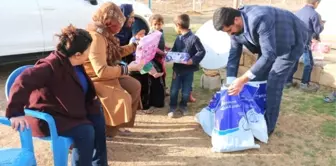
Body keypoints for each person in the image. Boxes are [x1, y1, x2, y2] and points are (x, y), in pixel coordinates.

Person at [6, 25, 108, 166]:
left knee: (98, 117)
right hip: (51, 115)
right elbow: (23, 80)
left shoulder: (74, 63)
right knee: (86, 132)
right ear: (78, 54)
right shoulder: (50, 66)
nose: (90, 54)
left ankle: (99, 164)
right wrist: (15, 112)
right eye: (88, 51)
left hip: (69, 109)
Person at [212, 6, 308, 136]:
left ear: (236, 20)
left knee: (274, 82)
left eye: (229, 30)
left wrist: (243, 79)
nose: (230, 34)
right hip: (267, 44)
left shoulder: (259, 18)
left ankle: (267, 128)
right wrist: (231, 82)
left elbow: (269, 56)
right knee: (256, 79)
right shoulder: (234, 30)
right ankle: (256, 116)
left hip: (290, 42)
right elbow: (234, 54)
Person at [84, 2, 144, 137]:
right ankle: (108, 131)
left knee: (135, 86)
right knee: (122, 98)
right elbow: (101, 71)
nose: (119, 27)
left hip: (108, 72)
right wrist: (126, 69)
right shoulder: (96, 37)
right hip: (96, 78)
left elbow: (115, 53)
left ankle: (122, 124)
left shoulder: (104, 33)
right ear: (108, 21)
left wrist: (134, 46)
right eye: (117, 23)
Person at [168, 14, 206, 118]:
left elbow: (201, 51)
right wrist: (169, 55)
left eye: (174, 26)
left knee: (186, 91)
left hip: (188, 70)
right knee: (174, 90)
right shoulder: (178, 39)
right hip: (177, 69)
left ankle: (183, 105)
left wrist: (192, 60)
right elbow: (174, 50)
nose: (175, 28)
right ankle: (172, 106)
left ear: (178, 25)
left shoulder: (194, 38)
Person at [286, 0, 324, 92]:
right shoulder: (314, 14)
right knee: (309, 64)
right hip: (305, 42)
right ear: (316, 3)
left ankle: (287, 82)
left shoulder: (298, 12)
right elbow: (318, 29)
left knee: (294, 62)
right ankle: (304, 84)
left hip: (295, 41)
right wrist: (322, 24)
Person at [129, 19, 165, 114]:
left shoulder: (144, 40)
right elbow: (133, 54)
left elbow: (151, 51)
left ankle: (154, 74)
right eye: (140, 34)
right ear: (134, 34)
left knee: (146, 83)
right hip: (136, 66)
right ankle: (143, 107)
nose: (143, 36)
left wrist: (159, 52)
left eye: (144, 34)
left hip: (144, 63)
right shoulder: (133, 41)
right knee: (142, 86)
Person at [149, 14, 171, 96]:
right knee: (160, 72)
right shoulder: (151, 34)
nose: (157, 26)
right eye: (155, 24)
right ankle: (161, 90)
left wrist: (166, 48)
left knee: (163, 73)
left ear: (162, 24)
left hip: (160, 57)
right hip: (154, 58)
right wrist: (162, 53)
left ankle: (163, 88)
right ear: (151, 24)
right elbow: (153, 47)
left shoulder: (160, 32)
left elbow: (161, 44)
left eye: (159, 24)